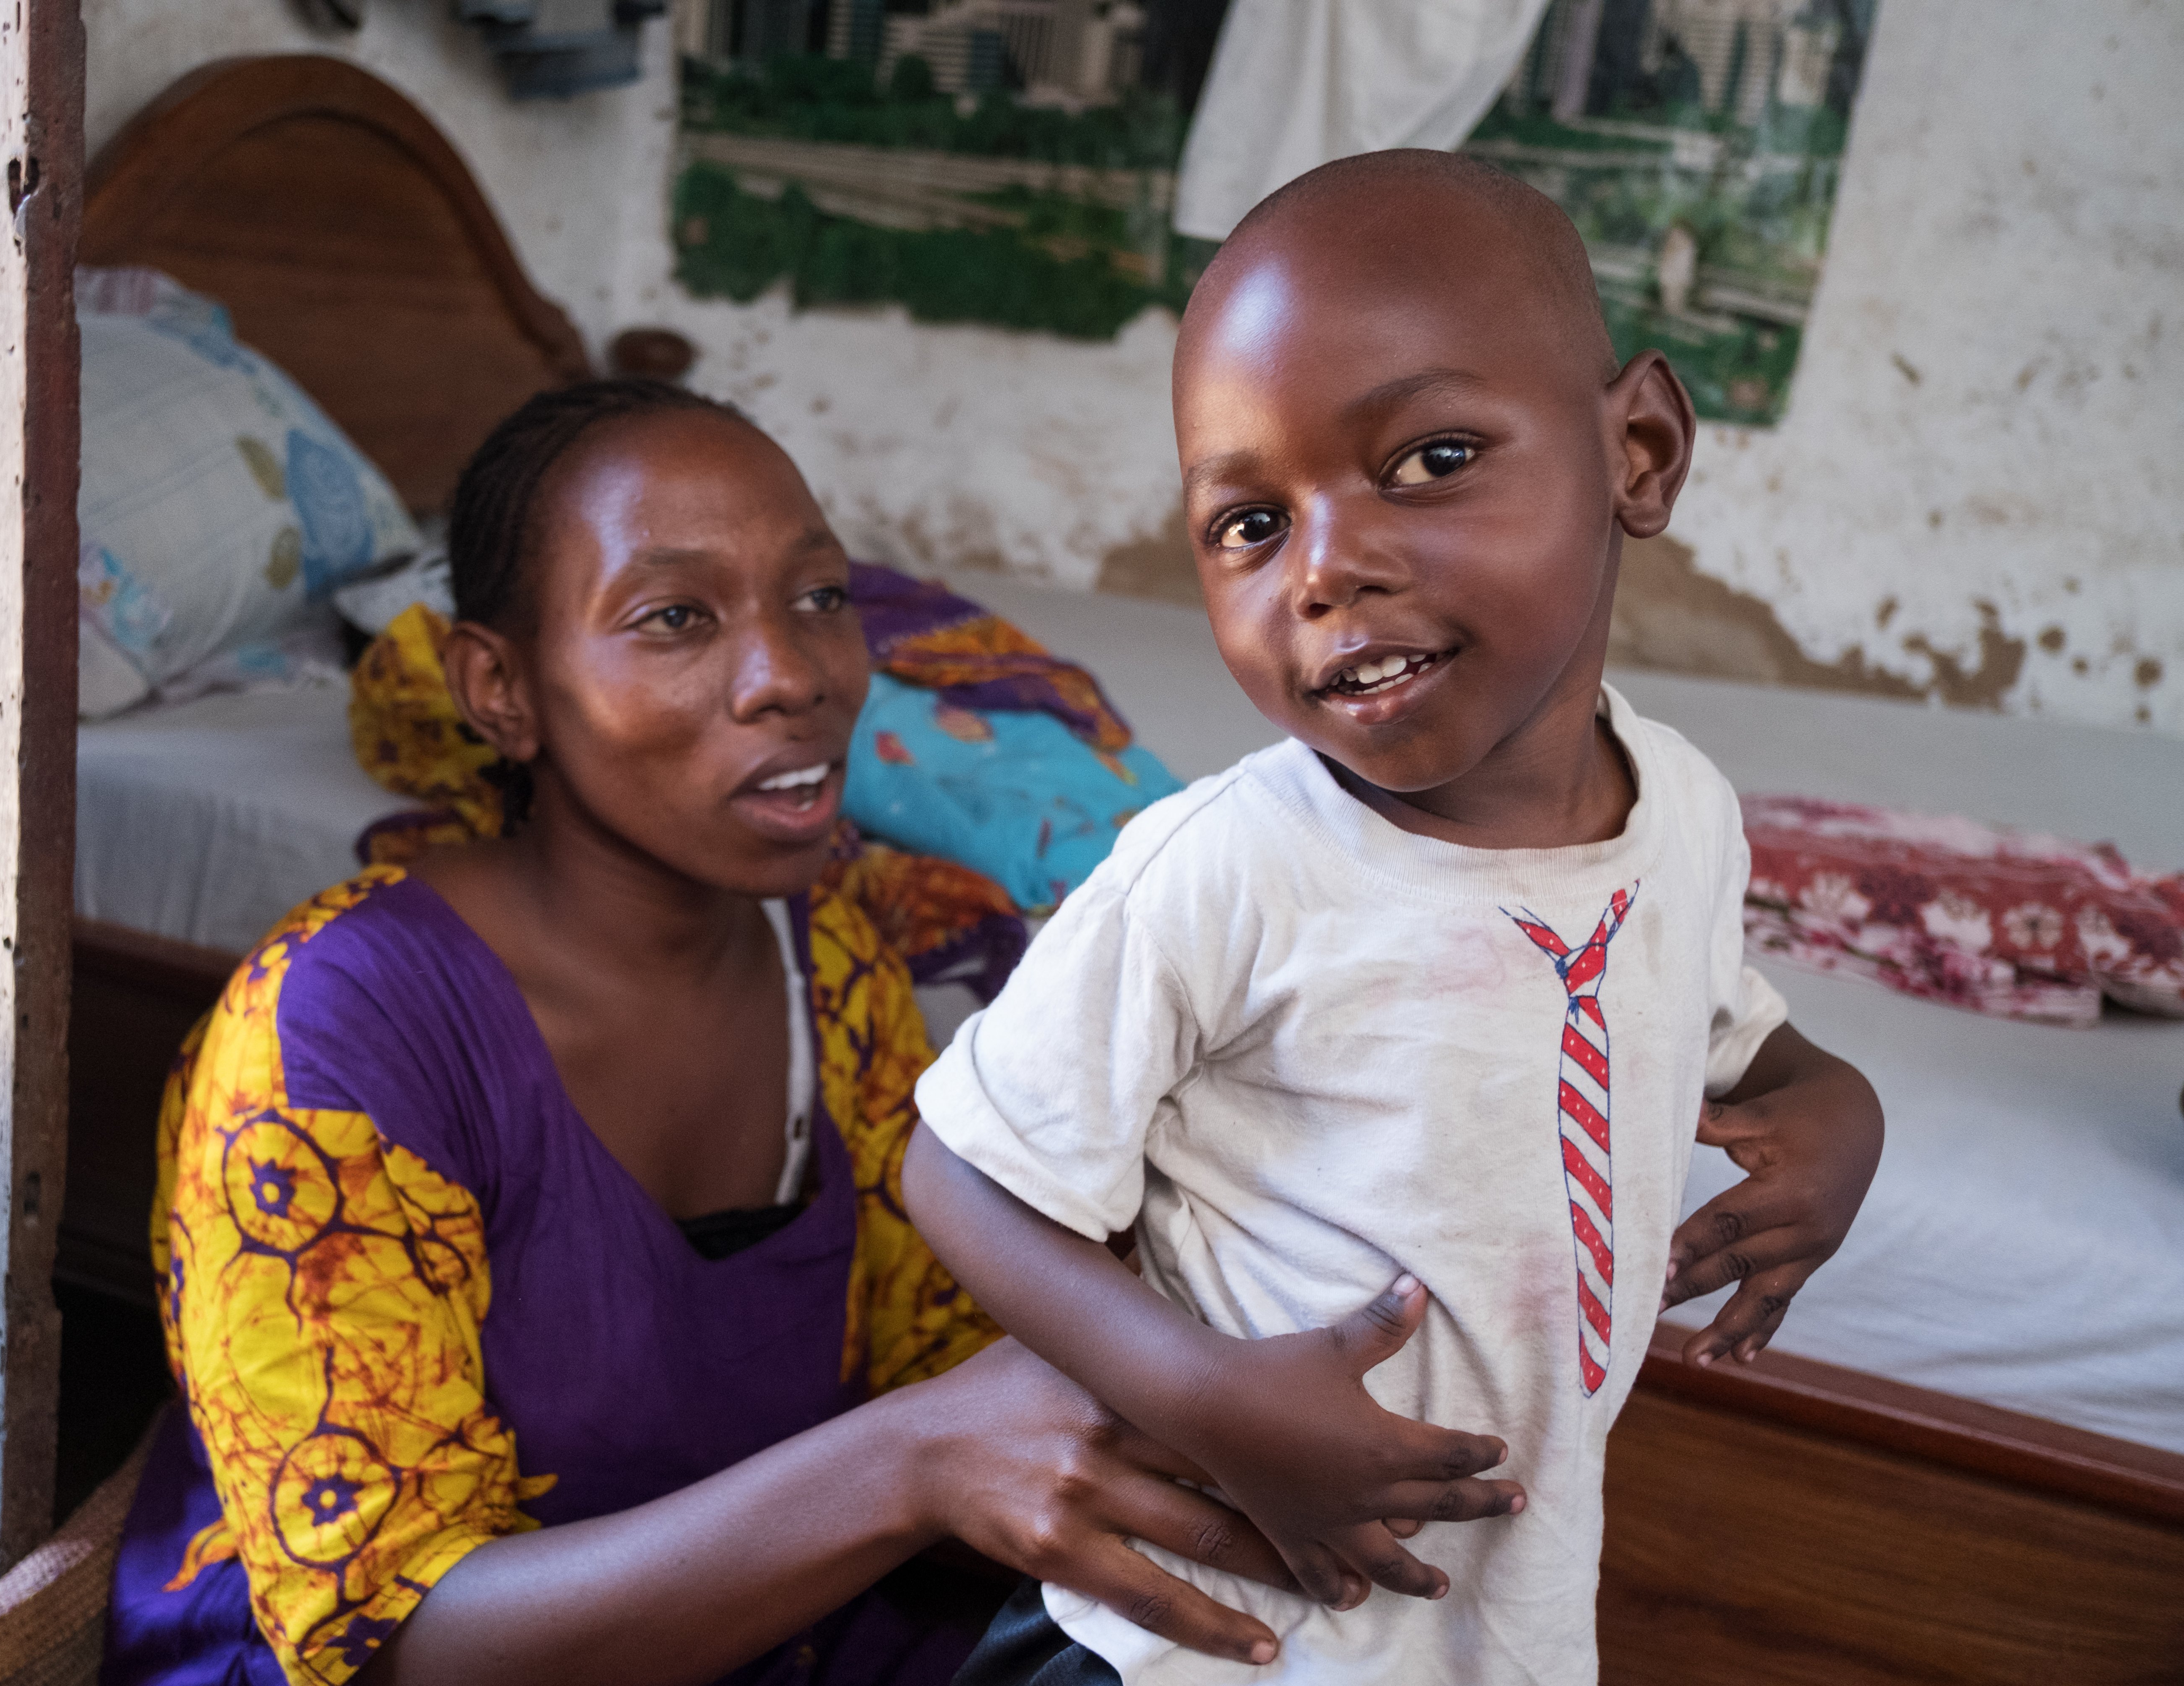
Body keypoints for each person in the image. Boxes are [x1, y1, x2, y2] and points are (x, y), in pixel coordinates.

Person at [100, 380, 1394, 1686]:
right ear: (500, 687)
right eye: (675, 618)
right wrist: (918, 1461)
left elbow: (941, 1356)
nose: (795, 676)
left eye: (821, 597)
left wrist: (1197, 1379)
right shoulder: (335, 1037)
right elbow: (398, 1648)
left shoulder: (825, 960)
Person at [902, 152, 1885, 1684]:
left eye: (1430, 459)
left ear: (1638, 449)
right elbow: (963, 1173)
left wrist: (1841, 1116)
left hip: (1494, 1622)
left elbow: (1726, 1046)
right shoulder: (1228, 868)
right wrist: (1203, 1395)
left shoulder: (1682, 810)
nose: (1328, 569)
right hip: (1199, 1636)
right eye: (1247, 525)